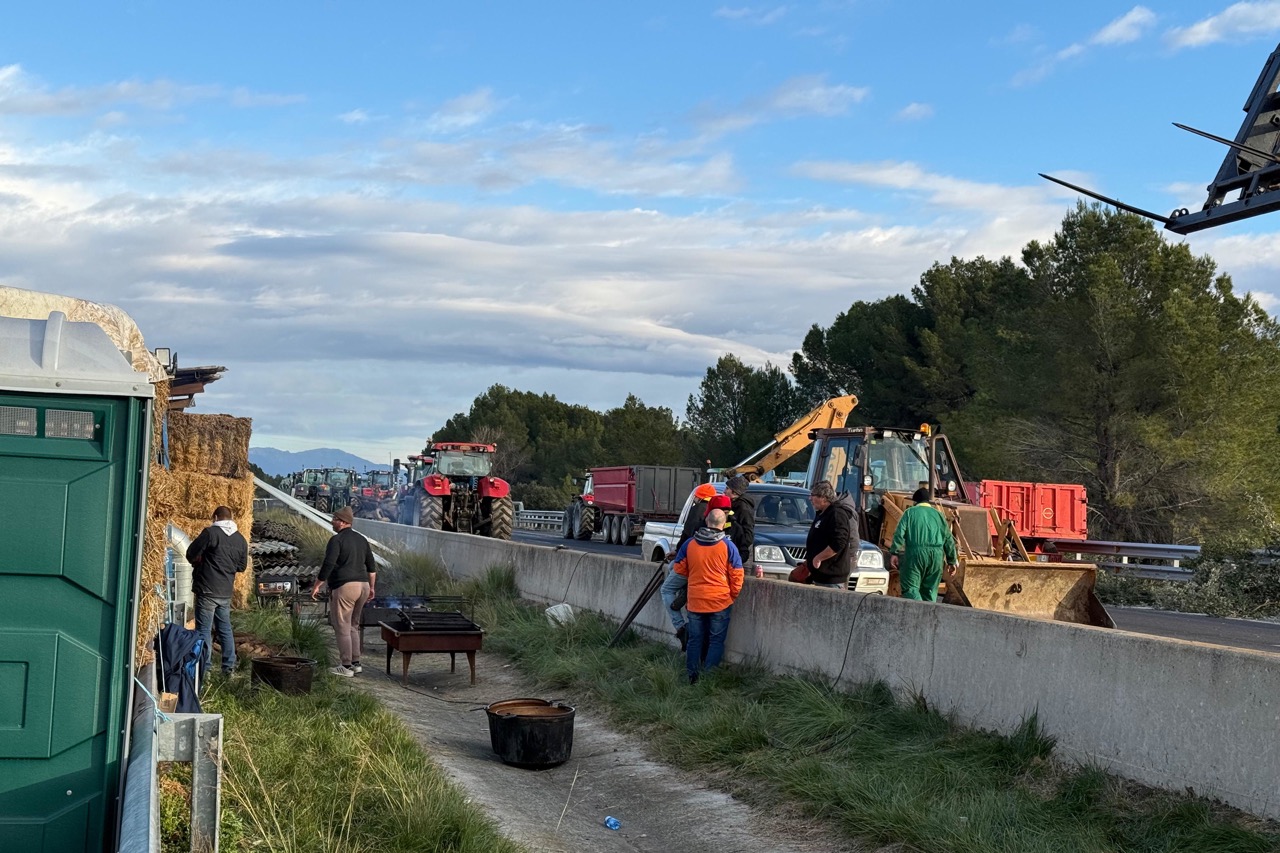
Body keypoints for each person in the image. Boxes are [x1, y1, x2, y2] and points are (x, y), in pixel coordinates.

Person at [672, 508, 743, 684]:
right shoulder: (728, 546)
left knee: (695, 639)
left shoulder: (689, 544)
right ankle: (709, 678)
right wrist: (732, 595)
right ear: (723, 524)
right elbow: (737, 574)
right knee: (716, 640)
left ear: (706, 521)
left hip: (696, 600)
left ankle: (692, 676)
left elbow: (679, 568)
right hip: (720, 600)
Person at [312, 506, 377, 676]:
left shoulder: (336, 540)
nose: (332, 522)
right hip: (363, 586)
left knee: (342, 626)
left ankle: (346, 666)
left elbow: (329, 564)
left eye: (334, 519)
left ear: (342, 522)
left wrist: (317, 585)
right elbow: (372, 567)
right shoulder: (362, 540)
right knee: (354, 625)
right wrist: (372, 587)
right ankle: (356, 663)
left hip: (345, 587)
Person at [185, 505, 249, 675]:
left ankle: (204, 669)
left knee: (204, 630)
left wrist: (201, 560)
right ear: (231, 518)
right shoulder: (241, 540)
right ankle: (229, 667)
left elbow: (191, 553)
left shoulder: (210, 533)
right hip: (225, 591)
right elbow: (242, 566)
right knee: (225, 629)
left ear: (215, 517)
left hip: (207, 589)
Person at [662, 482, 717, 650]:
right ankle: (682, 595)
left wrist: (678, 552)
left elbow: (687, 536)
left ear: (698, 497)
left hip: (688, 560)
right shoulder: (716, 513)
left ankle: (680, 627)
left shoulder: (697, 510)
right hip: (707, 565)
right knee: (672, 569)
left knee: (666, 589)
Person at [889, 488, 958, 602]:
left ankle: (918, 610)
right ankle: (928, 612)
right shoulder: (939, 515)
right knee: (930, 591)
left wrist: (894, 552)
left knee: (910, 588)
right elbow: (948, 539)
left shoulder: (909, 513)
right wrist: (952, 561)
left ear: (915, 502)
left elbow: (899, 534)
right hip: (936, 557)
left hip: (915, 555)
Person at [796, 480, 858, 589]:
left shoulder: (837, 514)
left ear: (824, 498)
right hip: (821, 577)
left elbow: (838, 543)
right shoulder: (823, 513)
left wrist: (818, 558)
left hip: (832, 578)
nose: (810, 498)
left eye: (813, 495)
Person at [724, 475, 758, 577]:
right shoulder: (733, 505)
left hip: (741, 554)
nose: (724, 491)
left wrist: (739, 553)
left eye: (727, 488)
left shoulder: (743, 508)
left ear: (734, 493)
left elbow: (748, 533)